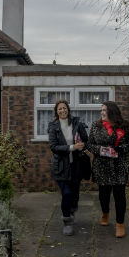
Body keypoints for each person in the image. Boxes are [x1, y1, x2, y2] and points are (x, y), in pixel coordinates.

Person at [88, 101, 129, 238]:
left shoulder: (124, 126)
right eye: (101, 110)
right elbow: (90, 144)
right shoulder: (95, 126)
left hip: (119, 166)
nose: (102, 112)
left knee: (119, 195)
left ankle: (120, 224)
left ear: (112, 112)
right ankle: (105, 213)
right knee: (104, 194)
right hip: (102, 167)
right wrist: (101, 150)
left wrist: (120, 149)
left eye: (105, 110)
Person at [47, 99, 91, 236]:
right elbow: (53, 147)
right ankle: (67, 221)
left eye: (64, 108)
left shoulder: (77, 123)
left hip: (76, 165)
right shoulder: (53, 126)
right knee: (66, 193)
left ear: (68, 109)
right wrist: (72, 147)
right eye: (59, 109)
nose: (62, 111)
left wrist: (83, 145)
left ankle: (72, 209)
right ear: (56, 111)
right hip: (60, 166)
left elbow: (85, 140)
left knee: (75, 194)